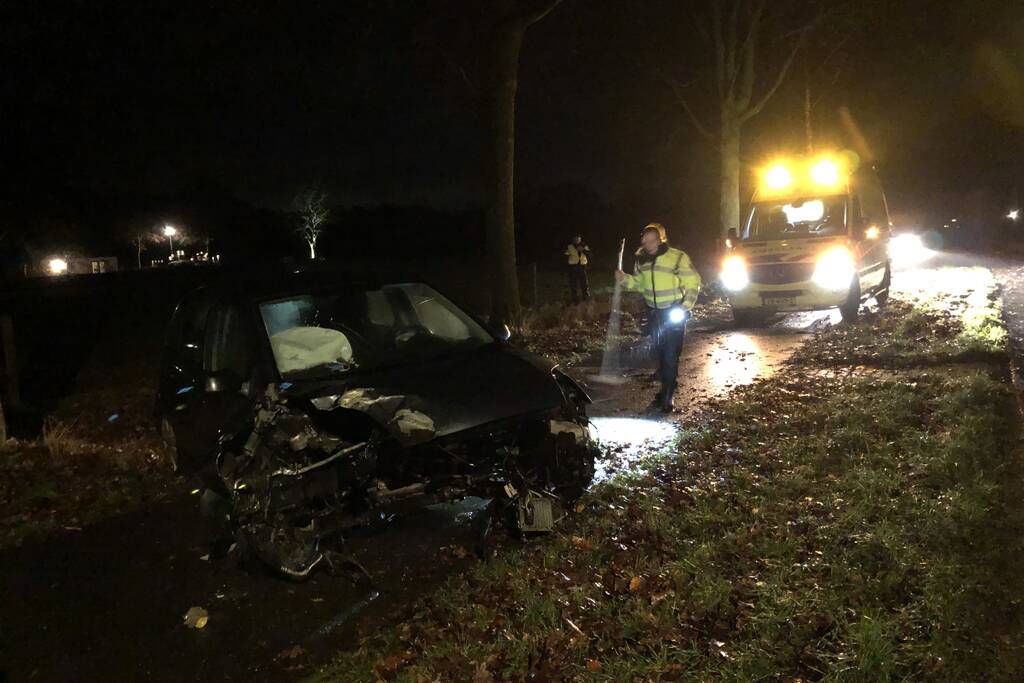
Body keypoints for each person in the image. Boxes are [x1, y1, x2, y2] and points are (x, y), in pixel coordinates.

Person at [615, 223, 701, 412]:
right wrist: (625, 279)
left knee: (670, 354)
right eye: (645, 240)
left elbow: (693, 283)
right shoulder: (641, 260)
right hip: (653, 314)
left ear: (661, 239)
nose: (648, 243)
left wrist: (686, 306)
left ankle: (668, 395)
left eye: (652, 239)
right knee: (659, 354)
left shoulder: (677, 257)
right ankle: (666, 386)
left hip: (673, 312)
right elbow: (639, 284)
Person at [565, 235, 591, 303]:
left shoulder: (584, 246)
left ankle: (586, 297)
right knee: (573, 284)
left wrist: (583, 250)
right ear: (573, 239)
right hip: (573, 267)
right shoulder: (569, 246)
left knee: (584, 283)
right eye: (575, 238)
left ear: (580, 239)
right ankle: (574, 299)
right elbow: (564, 256)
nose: (577, 240)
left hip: (582, 267)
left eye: (578, 238)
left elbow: (590, 255)